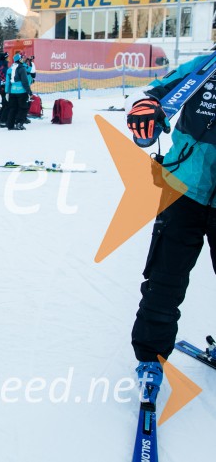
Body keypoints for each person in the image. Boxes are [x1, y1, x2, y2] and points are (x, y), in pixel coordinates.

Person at [127, 46, 216, 405]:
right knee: (165, 279)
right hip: (184, 189)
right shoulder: (204, 67)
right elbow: (157, 95)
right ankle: (150, 359)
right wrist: (146, 109)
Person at [5, 53, 32, 130]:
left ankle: (10, 125)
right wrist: (29, 92)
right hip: (22, 92)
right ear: (19, 60)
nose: (23, 59)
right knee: (23, 108)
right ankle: (19, 123)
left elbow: (7, 82)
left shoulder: (10, 69)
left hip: (12, 92)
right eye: (21, 58)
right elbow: (25, 81)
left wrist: (7, 92)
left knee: (13, 108)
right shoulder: (22, 68)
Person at [0, 51, 9, 127]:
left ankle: (0, 120)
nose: (8, 59)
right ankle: (2, 121)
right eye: (7, 57)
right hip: (4, 86)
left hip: (1, 86)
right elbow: (6, 76)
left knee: (4, 104)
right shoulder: (3, 66)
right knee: (6, 104)